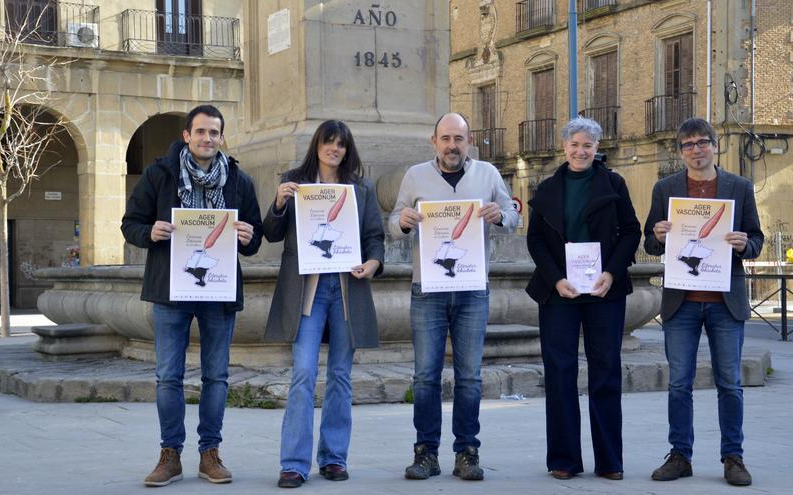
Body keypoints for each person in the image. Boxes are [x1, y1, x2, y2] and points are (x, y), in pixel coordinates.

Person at [121, 105, 263, 487]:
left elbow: (254, 237)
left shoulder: (239, 180)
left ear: (221, 137)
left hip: (218, 293)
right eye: (200, 132)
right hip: (170, 291)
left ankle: (209, 453)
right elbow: (129, 224)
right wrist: (149, 232)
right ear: (186, 135)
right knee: (169, 376)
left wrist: (249, 238)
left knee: (216, 377)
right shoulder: (159, 174)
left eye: (214, 133)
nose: (207, 139)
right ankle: (170, 454)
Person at [389, 112, 519, 481]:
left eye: (458, 139)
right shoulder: (415, 175)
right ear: (435, 142)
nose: (452, 146)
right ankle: (426, 453)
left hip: (472, 288)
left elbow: (512, 217)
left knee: (470, 376)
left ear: (469, 141)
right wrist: (402, 222)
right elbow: (394, 221)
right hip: (427, 289)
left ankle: (467, 452)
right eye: (445, 139)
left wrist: (500, 215)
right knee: (425, 376)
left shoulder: (488, 175)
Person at [262, 120, 385, 489]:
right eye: (329, 142)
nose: (335, 149)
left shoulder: (360, 189)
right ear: (317, 145)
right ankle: (294, 464)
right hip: (308, 293)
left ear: (348, 149)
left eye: (341, 144)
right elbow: (271, 232)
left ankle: (333, 458)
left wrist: (374, 264)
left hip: (346, 290)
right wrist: (280, 202)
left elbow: (374, 237)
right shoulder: (295, 182)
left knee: (341, 377)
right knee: (302, 373)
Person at [644, 117, 763, 487]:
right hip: (681, 303)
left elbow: (756, 240)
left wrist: (745, 244)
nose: (696, 150)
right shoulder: (665, 189)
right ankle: (680, 455)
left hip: (725, 302)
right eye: (688, 144)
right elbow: (649, 243)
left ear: (715, 146)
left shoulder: (739, 187)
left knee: (730, 383)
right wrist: (659, 235)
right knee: (679, 383)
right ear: (681, 152)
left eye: (702, 142)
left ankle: (733, 457)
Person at [525, 117, 641, 481]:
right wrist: (555, 279)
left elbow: (630, 231)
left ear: (596, 148)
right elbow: (536, 241)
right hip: (560, 293)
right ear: (564, 147)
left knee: (605, 372)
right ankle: (564, 460)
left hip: (604, 292)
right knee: (560, 373)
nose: (581, 151)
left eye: (588, 145)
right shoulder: (546, 188)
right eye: (575, 144)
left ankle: (610, 461)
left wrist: (613, 272)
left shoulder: (614, 183)